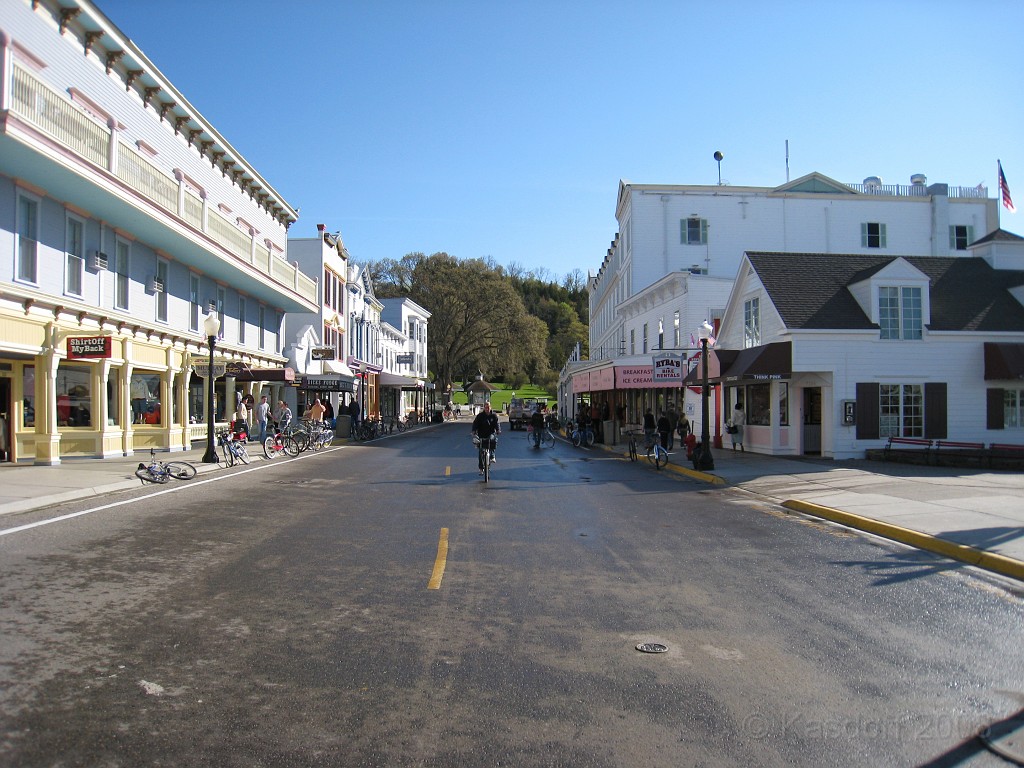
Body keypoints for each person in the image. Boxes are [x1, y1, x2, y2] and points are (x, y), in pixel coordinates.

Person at [471, 400, 501, 474]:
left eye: (488, 407)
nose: (487, 408)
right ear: (484, 408)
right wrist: (474, 430)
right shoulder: (480, 416)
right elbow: (475, 424)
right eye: (486, 407)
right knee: (481, 451)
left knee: (493, 440)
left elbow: (497, 424)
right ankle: (481, 468)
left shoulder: (494, 415)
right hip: (481, 434)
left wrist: (498, 430)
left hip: (491, 433)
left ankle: (492, 456)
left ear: (490, 407)